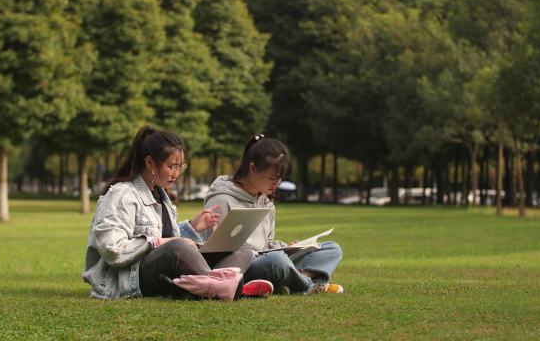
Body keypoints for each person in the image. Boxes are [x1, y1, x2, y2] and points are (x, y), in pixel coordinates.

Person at [82, 126, 272, 300]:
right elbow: (112, 250)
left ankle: (208, 286)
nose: (177, 173)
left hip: (161, 268)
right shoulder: (122, 194)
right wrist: (159, 242)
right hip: (127, 278)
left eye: (180, 167)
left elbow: (167, 240)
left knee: (240, 247)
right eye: (172, 166)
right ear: (150, 163)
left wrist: (191, 227)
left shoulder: (162, 196)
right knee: (178, 247)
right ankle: (228, 287)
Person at [197, 134, 344, 295]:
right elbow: (211, 250)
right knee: (277, 262)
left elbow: (266, 244)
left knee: (331, 248)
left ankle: (294, 279)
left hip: (266, 259)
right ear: (252, 168)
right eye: (272, 178)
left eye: (280, 179)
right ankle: (306, 284)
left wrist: (290, 247)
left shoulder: (266, 201)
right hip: (240, 267)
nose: (276, 184)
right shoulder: (222, 199)